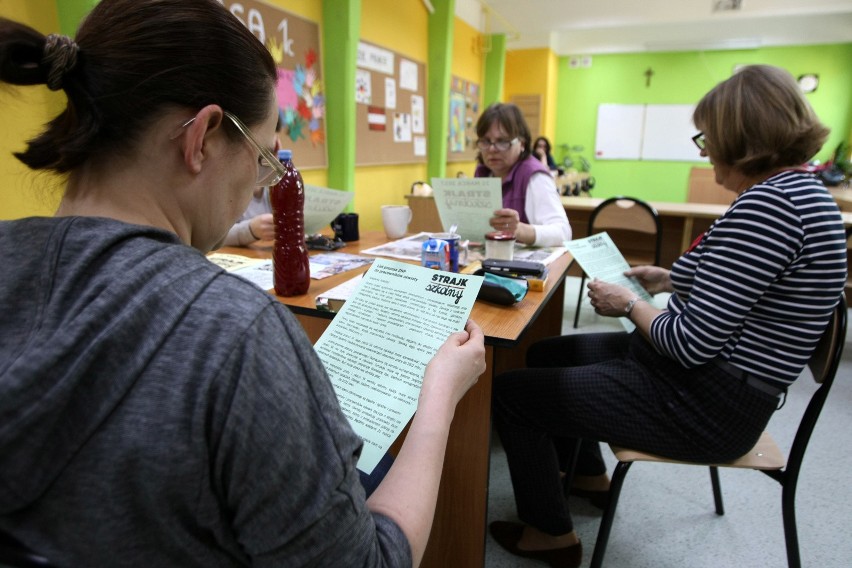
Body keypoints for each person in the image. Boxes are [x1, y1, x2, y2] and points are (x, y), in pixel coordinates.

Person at [0, 2, 486, 567]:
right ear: (202, 137)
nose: (259, 182)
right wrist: (439, 399)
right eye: (260, 159)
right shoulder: (237, 333)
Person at [488, 64, 847, 568]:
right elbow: (745, 284)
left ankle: (550, 534)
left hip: (706, 401)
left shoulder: (770, 208)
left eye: (709, 137)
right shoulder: (799, 195)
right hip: (716, 382)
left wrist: (629, 303)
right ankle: (590, 477)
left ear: (742, 139)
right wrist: (669, 278)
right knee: (550, 351)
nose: (704, 151)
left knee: (513, 395)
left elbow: (689, 343)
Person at [474, 103, 571, 247]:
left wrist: (519, 229)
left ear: (522, 144)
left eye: (503, 141)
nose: (492, 149)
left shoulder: (534, 176)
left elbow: (563, 233)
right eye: (486, 141)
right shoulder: (483, 172)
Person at [222, 109, 286, 246]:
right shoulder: (226, 186)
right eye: (265, 150)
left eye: (272, 150)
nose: (269, 158)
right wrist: (250, 230)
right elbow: (212, 236)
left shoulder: (272, 186)